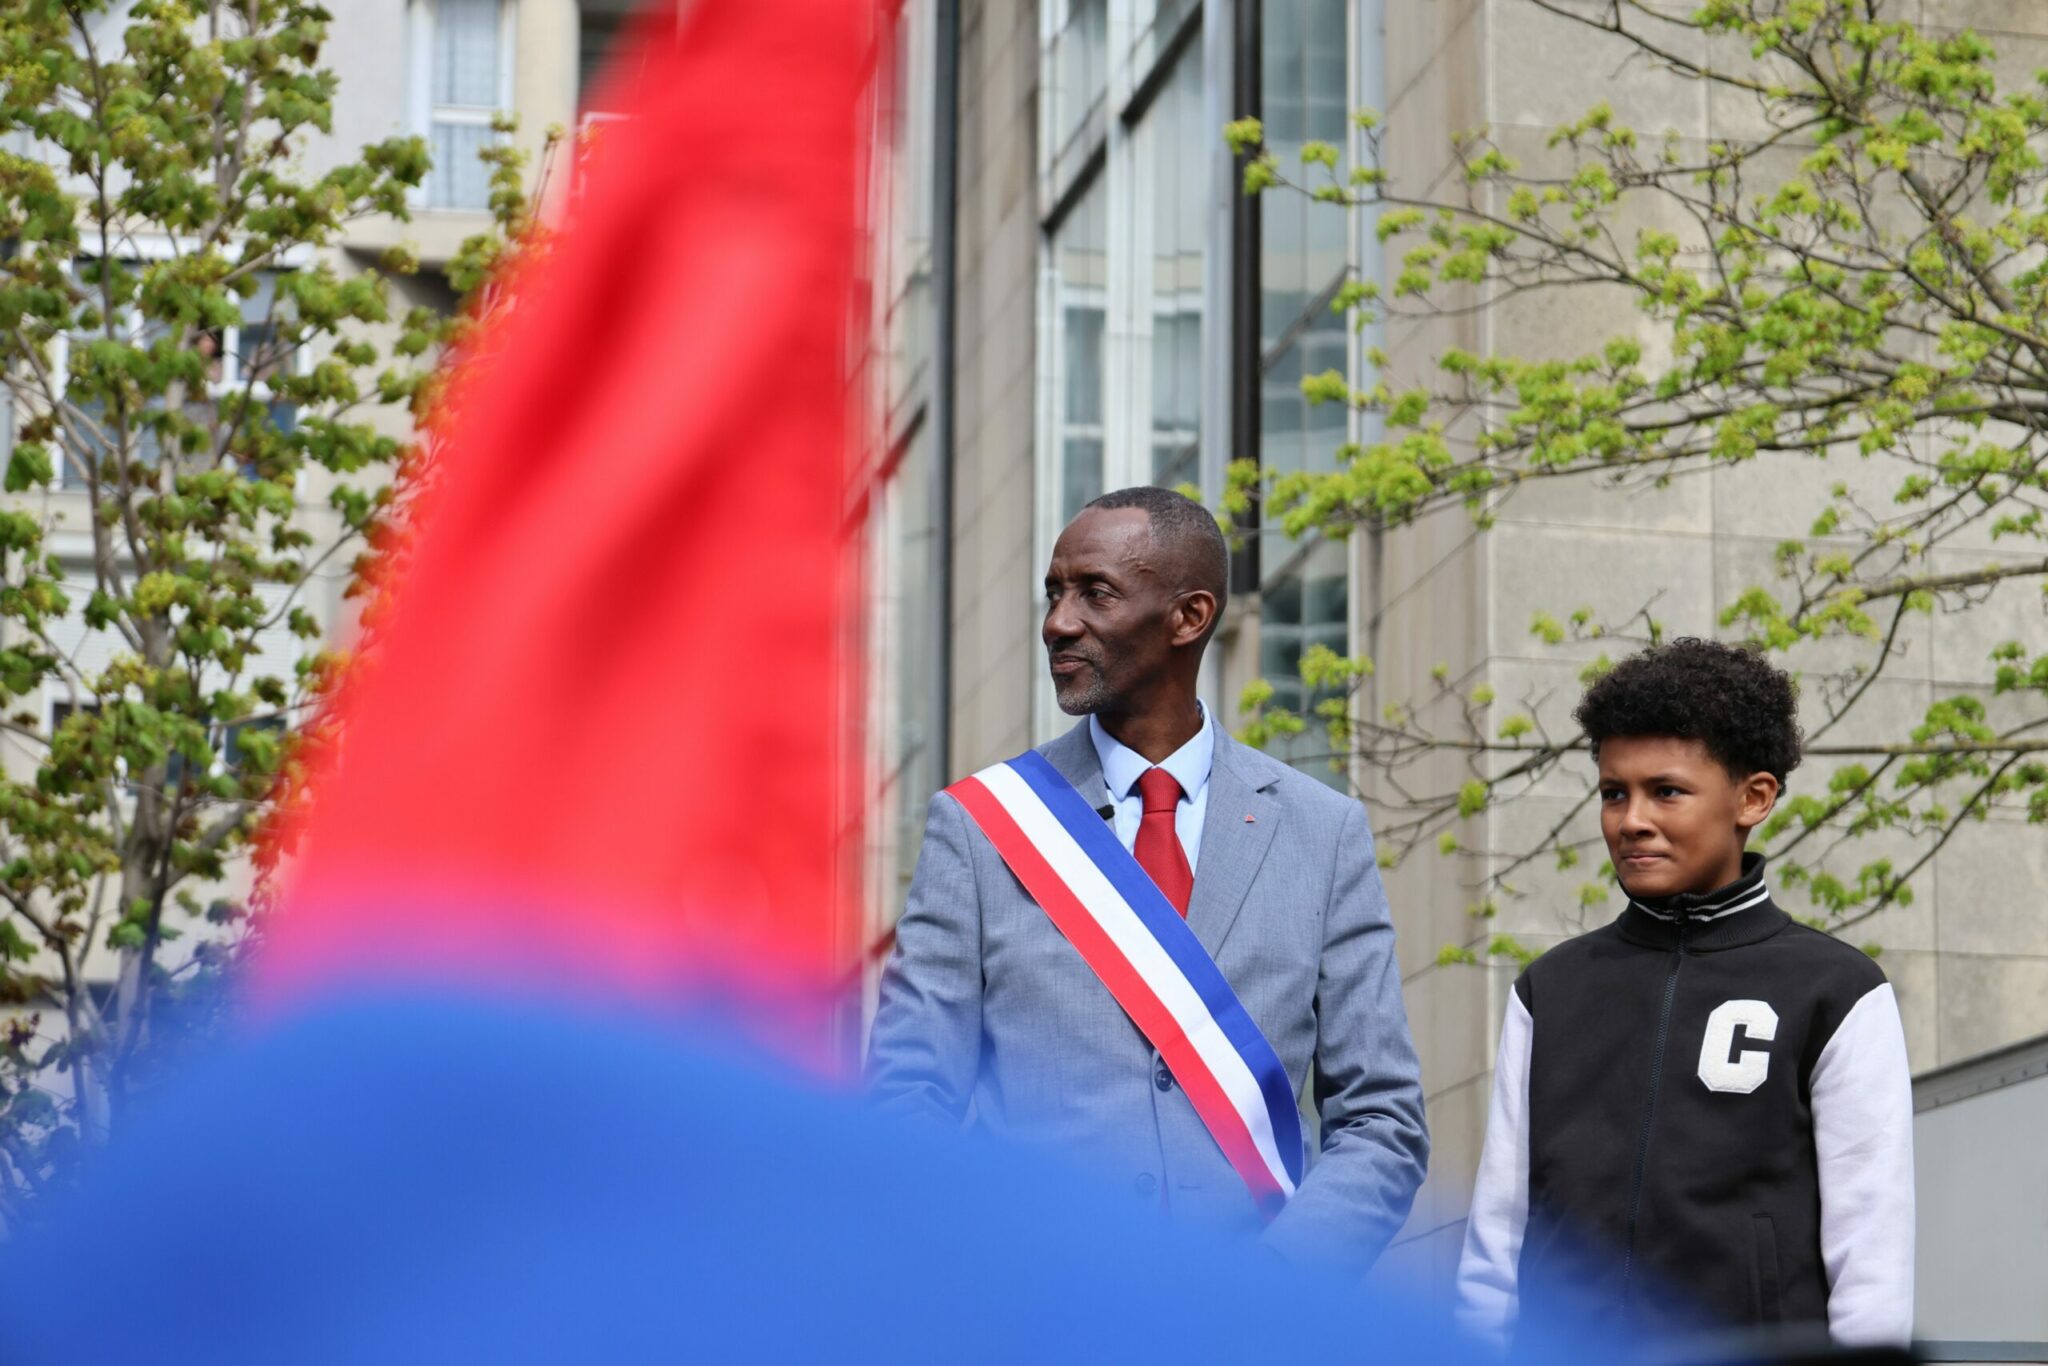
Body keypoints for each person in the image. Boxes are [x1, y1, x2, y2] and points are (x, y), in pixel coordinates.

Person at [866, 486, 1427, 1272]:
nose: (1058, 622)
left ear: (1189, 617)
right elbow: (906, 1106)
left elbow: (1382, 1122)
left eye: (1094, 592)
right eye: (1055, 593)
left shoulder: (1323, 833)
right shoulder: (981, 827)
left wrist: (1271, 1290)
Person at [1454, 639, 1915, 1352]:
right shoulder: (1551, 989)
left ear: (1754, 797)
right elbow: (1498, 1229)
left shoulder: (1837, 991)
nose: (1631, 818)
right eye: (1614, 792)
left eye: (1665, 791)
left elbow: (1872, 1252)